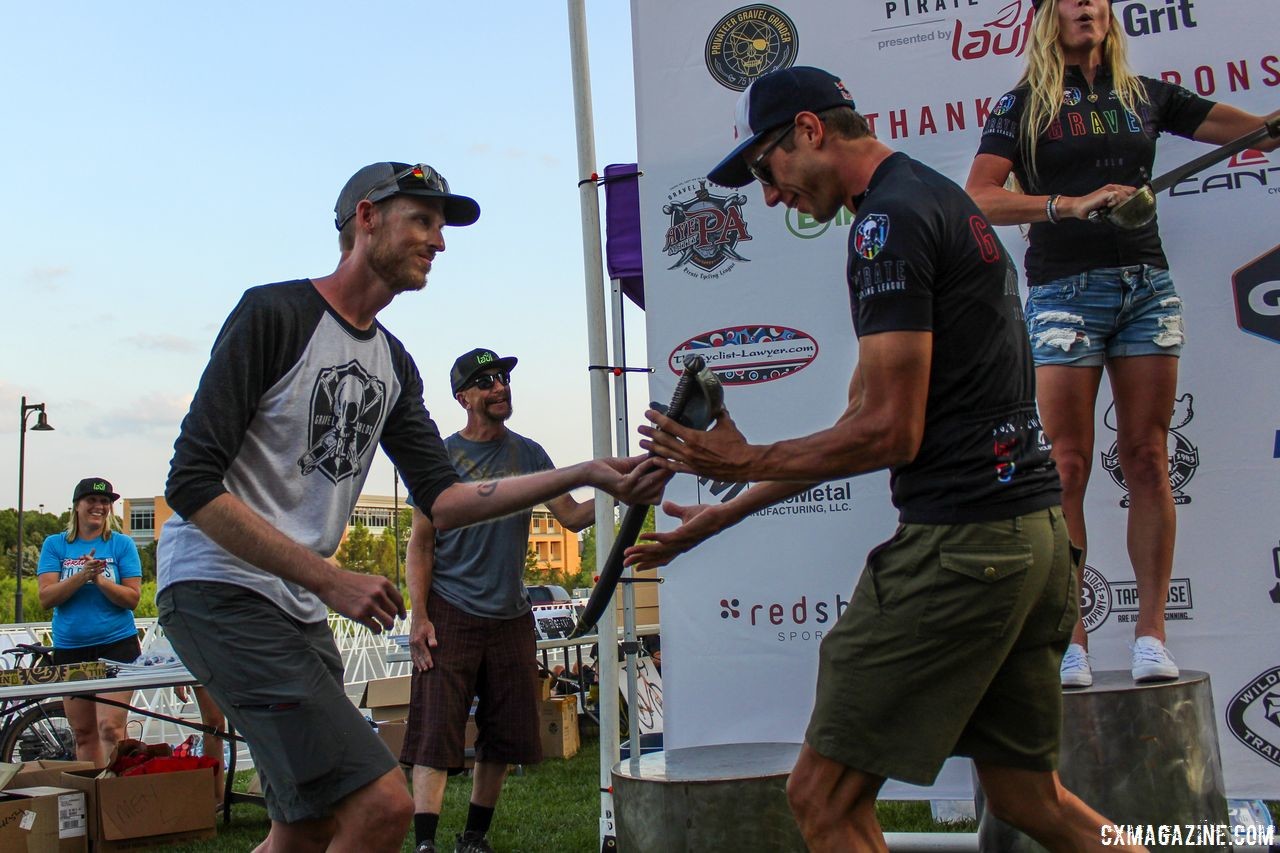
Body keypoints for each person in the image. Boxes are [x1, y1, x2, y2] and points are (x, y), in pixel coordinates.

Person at [625, 66, 1144, 852]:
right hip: (1032, 543)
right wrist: (724, 514)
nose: (769, 197)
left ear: (807, 131)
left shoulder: (886, 227)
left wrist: (740, 460)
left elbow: (890, 435)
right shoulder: (933, 200)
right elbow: (857, 419)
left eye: (766, 171)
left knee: (824, 800)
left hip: (964, 548)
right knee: (1032, 798)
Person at [155, 162, 663, 853]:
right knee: (381, 809)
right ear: (366, 217)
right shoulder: (272, 314)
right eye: (422, 220)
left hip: (294, 605)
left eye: (441, 226)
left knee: (308, 825)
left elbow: (446, 499)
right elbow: (190, 482)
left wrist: (585, 472)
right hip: (218, 588)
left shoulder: (394, 364)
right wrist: (330, 578)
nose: (439, 241)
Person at [964, 0, 1280, 688]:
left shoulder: (1143, 96)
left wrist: (1268, 129)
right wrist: (1065, 205)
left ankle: (1151, 636)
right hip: (1063, 293)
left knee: (1146, 456)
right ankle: (1070, 639)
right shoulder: (1022, 104)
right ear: (1050, 17)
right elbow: (980, 197)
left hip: (1146, 288)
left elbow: (1244, 129)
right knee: (1068, 466)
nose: (1087, 6)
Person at [401, 347, 600, 853]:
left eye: (503, 379)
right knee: (435, 729)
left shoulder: (528, 454)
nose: (499, 388)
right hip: (450, 610)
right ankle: (426, 843)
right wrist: (418, 615)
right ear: (463, 396)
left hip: (512, 614)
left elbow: (573, 517)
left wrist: (622, 488)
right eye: (486, 381)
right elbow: (420, 544)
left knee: (504, 730)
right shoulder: (441, 458)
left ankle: (474, 838)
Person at [37, 477, 142, 766]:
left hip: (117, 646)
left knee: (110, 727)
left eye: (105, 502)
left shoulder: (121, 545)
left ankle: (116, 800)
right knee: (83, 733)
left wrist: (99, 579)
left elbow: (132, 598)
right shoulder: (55, 545)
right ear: (77, 506)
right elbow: (46, 598)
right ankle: (92, 798)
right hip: (71, 648)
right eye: (92, 501)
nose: (99, 506)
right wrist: (81, 576)